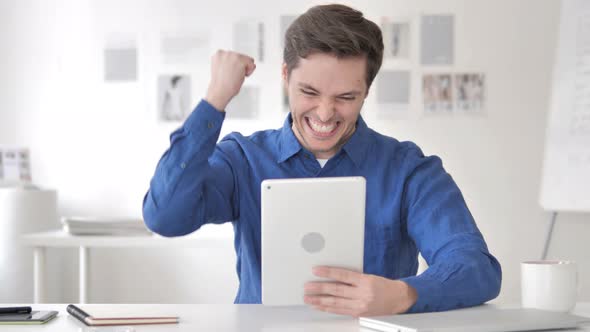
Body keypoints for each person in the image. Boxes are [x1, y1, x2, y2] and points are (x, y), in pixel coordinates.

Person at [143, 4, 501, 317]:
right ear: (285, 76)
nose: (326, 114)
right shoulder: (243, 160)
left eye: (346, 96)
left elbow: (476, 268)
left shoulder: (409, 170)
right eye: (309, 92)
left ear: (366, 90)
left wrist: (404, 294)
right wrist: (215, 99)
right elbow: (165, 217)